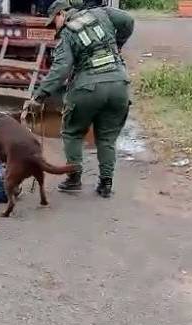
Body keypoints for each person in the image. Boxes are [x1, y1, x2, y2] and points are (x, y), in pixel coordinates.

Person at [28, 0, 133, 198]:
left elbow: (60, 70)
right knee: (107, 137)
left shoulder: (68, 34)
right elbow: (128, 20)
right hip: (119, 84)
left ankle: (74, 178)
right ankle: (105, 184)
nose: (54, 28)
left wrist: (40, 95)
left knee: (73, 132)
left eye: (53, 22)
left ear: (61, 14)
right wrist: (117, 45)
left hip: (87, 89)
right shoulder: (101, 13)